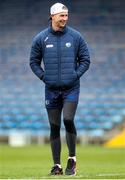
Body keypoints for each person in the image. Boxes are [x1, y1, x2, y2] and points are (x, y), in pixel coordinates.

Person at [30, 2, 90, 176]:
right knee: (54, 125)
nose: (65, 18)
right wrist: (43, 76)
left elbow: (85, 60)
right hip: (51, 90)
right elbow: (33, 62)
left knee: (68, 119)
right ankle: (57, 166)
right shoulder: (41, 38)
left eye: (66, 15)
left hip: (71, 88)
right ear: (52, 16)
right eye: (61, 15)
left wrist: (74, 75)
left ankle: (72, 159)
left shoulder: (76, 37)